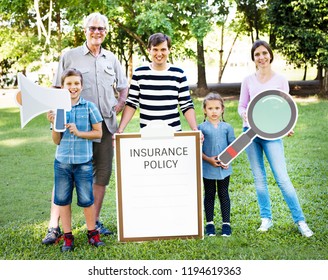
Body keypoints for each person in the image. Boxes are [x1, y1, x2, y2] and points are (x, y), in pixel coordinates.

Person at [42, 12, 128, 244]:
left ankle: (95, 222)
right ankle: (54, 226)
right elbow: (55, 88)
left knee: (102, 173)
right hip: (72, 128)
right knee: (65, 174)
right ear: (85, 30)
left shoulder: (111, 59)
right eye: (93, 28)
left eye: (101, 29)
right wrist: (55, 119)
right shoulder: (69, 56)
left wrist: (116, 107)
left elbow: (123, 88)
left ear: (106, 32)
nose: (97, 32)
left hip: (104, 127)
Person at [238, 39, 313, 237]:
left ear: (270, 54)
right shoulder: (248, 80)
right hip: (250, 133)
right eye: (257, 55)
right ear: (253, 59)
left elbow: (283, 108)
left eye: (264, 53)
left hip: (271, 135)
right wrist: (243, 114)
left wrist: (286, 127)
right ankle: (266, 219)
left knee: (282, 178)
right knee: (259, 179)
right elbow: (241, 106)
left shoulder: (280, 80)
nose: (261, 57)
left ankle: (300, 221)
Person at [47, 68, 104, 251]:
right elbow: (56, 141)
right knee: (63, 200)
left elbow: (98, 133)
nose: (73, 87)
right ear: (63, 87)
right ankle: (68, 237)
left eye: (76, 83)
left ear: (82, 86)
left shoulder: (89, 107)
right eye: (69, 84)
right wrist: (54, 125)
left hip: (83, 163)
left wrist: (79, 132)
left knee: (87, 200)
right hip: (62, 163)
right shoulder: (59, 110)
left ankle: (92, 234)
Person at [116, 32, 198, 133]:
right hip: (148, 134)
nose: (159, 54)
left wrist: (195, 130)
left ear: (169, 50)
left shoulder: (178, 74)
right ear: (149, 50)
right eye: (155, 49)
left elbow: (186, 105)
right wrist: (120, 129)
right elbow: (132, 103)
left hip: (174, 134)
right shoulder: (139, 74)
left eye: (163, 49)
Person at [198, 93, 235, 237]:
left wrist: (228, 160)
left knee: (224, 194)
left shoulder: (227, 127)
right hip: (208, 168)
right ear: (205, 110)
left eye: (217, 108)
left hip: (224, 169)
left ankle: (226, 224)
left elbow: (234, 146)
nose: (214, 111)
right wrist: (208, 159)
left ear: (222, 110)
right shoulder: (201, 128)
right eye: (210, 108)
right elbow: (197, 149)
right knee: (209, 194)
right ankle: (210, 224)